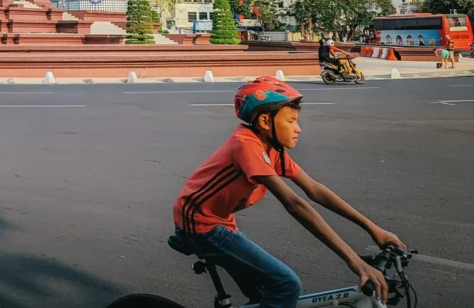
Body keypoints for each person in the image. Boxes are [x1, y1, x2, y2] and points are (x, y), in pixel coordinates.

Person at [171, 76, 404, 307]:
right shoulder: (246, 145)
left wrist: (374, 229)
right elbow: (294, 203)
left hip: (220, 221)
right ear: (265, 121)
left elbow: (314, 190)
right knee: (285, 286)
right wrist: (354, 261)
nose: (298, 129)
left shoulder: (271, 149)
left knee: (266, 295)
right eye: (291, 121)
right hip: (200, 226)